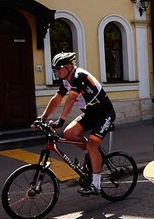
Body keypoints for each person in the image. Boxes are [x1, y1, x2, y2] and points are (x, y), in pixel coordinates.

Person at [38, 52, 116, 195]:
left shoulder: (79, 76)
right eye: (54, 69)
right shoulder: (66, 80)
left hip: (105, 114)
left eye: (58, 68)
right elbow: (57, 99)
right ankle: (93, 154)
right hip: (90, 114)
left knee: (92, 146)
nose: (57, 71)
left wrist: (61, 120)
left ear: (68, 66)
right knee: (69, 133)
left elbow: (71, 99)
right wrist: (42, 118)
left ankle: (96, 185)